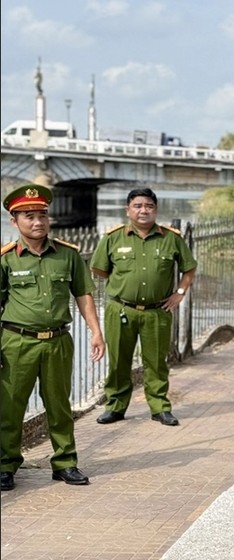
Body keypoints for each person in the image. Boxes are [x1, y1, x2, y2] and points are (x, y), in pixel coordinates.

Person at [1, 185, 105, 491]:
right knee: (9, 405)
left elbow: (84, 294)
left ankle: (64, 463)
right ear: (14, 221)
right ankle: (6, 466)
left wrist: (96, 331)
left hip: (58, 341)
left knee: (59, 404)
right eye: (29, 216)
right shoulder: (6, 260)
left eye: (42, 215)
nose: (37, 222)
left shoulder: (68, 256)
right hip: (16, 342)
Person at [91, 188, 197, 427]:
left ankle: (159, 407)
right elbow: (99, 269)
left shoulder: (171, 238)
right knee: (118, 361)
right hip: (121, 310)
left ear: (156, 210)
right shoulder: (113, 237)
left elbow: (188, 268)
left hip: (157, 311)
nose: (143, 210)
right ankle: (116, 406)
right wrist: (125, 285)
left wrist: (179, 293)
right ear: (128, 210)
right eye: (137, 206)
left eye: (148, 206)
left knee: (156, 362)